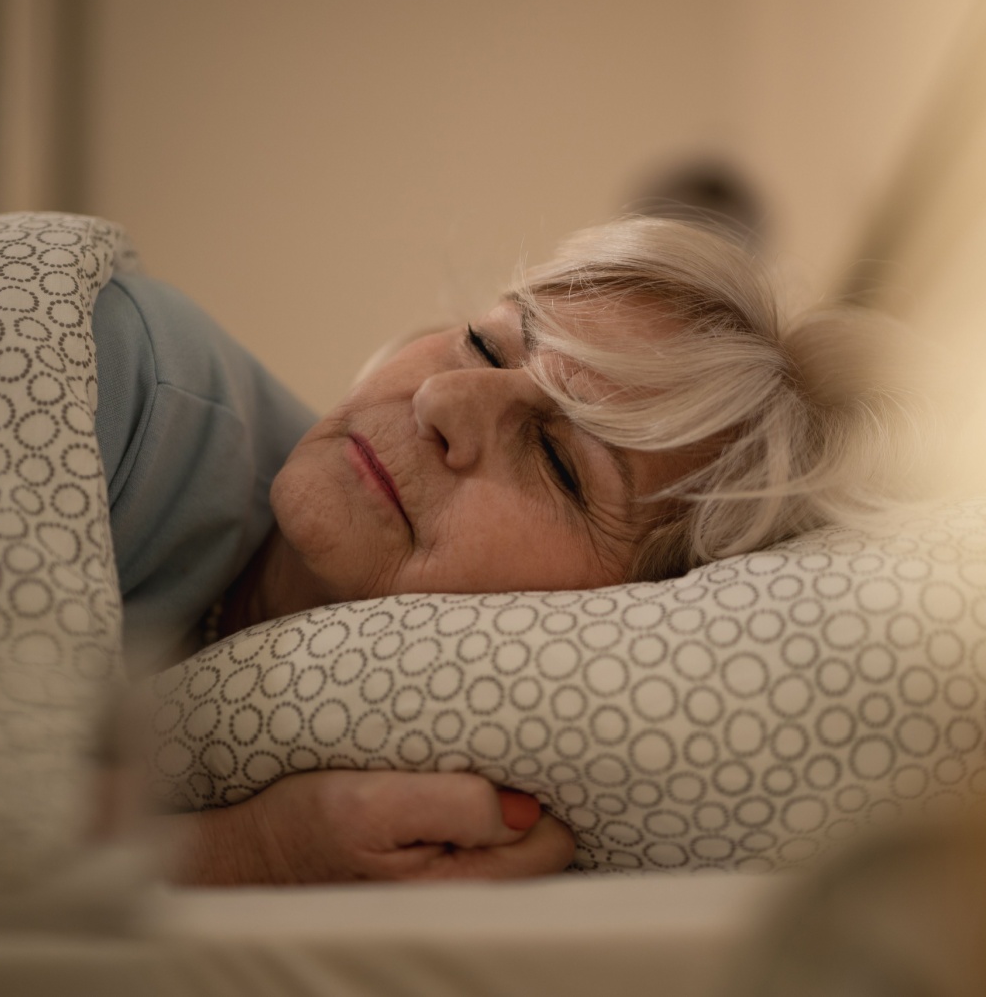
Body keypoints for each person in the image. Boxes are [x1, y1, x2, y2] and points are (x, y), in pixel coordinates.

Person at [95, 216, 930, 884]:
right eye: (487, 345)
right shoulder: (119, 380)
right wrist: (256, 853)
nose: (443, 397)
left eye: (563, 463)